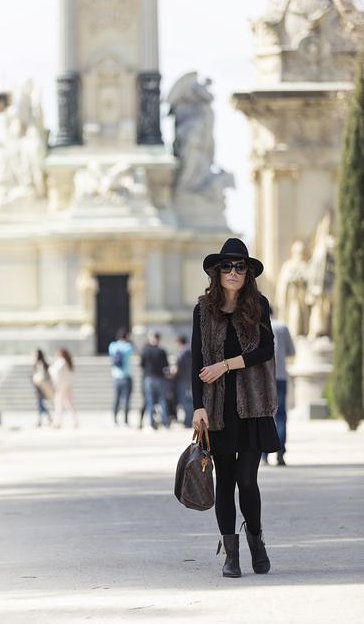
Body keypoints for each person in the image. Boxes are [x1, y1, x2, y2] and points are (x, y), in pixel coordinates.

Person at [191, 238, 281, 578]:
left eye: (240, 266)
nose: (233, 272)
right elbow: (197, 362)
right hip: (217, 408)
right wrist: (197, 406)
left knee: (247, 480)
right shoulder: (203, 309)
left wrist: (226, 365)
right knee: (225, 480)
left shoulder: (258, 304)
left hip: (253, 405)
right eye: (227, 266)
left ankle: (256, 540)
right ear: (217, 271)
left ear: (248, 273)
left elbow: (266, 350)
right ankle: (231, 553)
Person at [261, 307, 296, 466]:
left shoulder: (258, 325)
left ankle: (263, 455)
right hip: (280, 376)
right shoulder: (282, 327)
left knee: (263, 415)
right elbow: (291, 352)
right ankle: (280, 453)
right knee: (281, 416)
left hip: (261, 379)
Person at [140, 332, 170, 430]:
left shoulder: (145, 350)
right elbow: (166, 365)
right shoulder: (161, 351)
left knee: (150, 401)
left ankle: (151, 424)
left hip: (149, 378)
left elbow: (142, 364)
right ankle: (165, 423)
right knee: (162, 400)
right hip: (160, 377)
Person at [108, 328, 135, 426]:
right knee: (127, 399)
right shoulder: (128, 347)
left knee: (117, 398)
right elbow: (133, 351)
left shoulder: (112, 346)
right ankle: (126, 420)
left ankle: (115, 419)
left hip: (116, 376)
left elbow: (111, 355)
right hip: (126, 375)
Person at [49, 347, 78, 428]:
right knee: (68, 404)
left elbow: (55, 372)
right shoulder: (67, 362)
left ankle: (58, 422)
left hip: (61, 387)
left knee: (59, 405)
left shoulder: (61, 362)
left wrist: (50, 369)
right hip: (66, 386)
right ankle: (74, 421)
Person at [171, 335, 193, 428]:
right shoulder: (191, 349)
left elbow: (176, 368)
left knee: (184, 401)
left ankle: (187, 422)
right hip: (191, 379)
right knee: (190, 400)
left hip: (182, 380)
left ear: (179, 342)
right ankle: (189, 420)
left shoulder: (181, 352)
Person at [32, 349, 53, 427]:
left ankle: (42, 420)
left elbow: (41, 375)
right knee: (40, 403)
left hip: (40, 384)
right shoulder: (43, 363)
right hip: (41, 384)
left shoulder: (39, 364)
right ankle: (45, 419)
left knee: (40, 403)